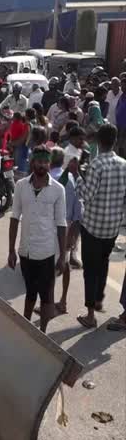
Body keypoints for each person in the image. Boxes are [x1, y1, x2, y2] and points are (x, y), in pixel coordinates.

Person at [8, 145, 67, 332]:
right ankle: (25, 328)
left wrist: (63, 256)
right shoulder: (20, 186)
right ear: (32, 162)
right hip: (25, 251)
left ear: (49, 164)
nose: (42, 165)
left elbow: (61, 224)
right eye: (38, 161)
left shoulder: (58, 190)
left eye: (45, 162)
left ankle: (42, 333)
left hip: (47, 252)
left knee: (46, 297)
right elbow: (15, 217)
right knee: (30, 292)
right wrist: (11, 250)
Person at [72, 124, 126, 329]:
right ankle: (98, 300)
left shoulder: (96, 165)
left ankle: (90, 315)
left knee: (90, 271)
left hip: (94, 227)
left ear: (99, 141)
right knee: (102, 265)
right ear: (113, 141)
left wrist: (77, 175)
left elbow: (85, 195)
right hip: (112, 227)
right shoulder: (123, 164)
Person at [48, 147, 82, 316]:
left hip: (54, 230)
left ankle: (49, 306)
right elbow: (78, 210)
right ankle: (62, 301)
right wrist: (74, 235)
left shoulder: (52, 179)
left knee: (51, 268)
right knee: (65, 264)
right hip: (68, 228)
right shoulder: (71, 178)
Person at [7, 111, 31, 176]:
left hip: (20, 147)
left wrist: (11, 144)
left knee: (19, 168)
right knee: (15, 165)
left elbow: (21, 139)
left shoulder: (26, 125)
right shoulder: (23, 125)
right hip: (17, 146)